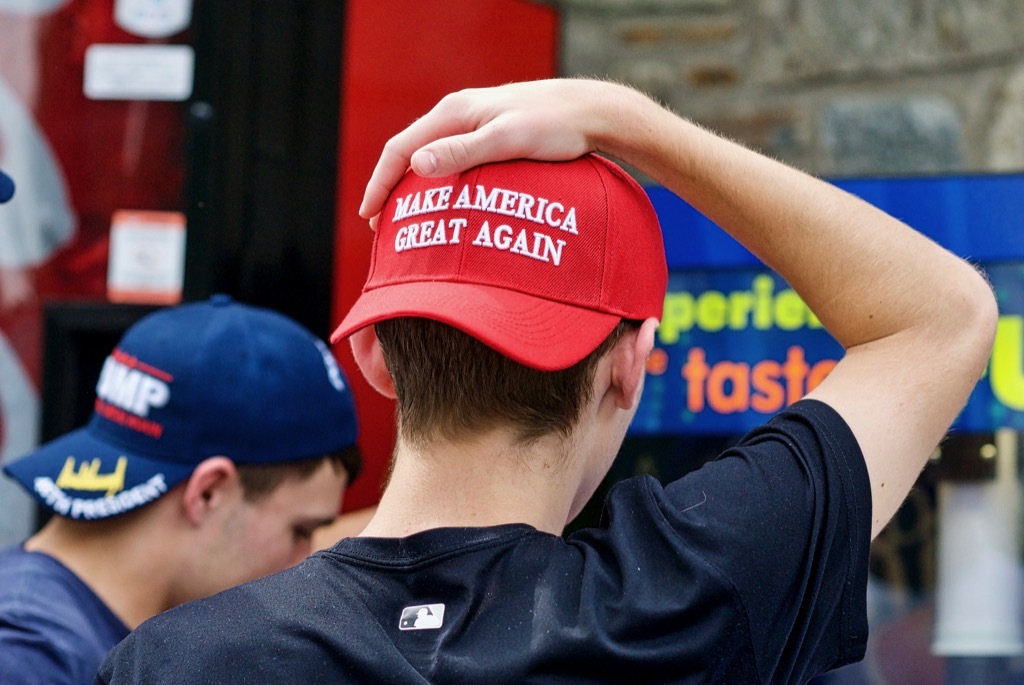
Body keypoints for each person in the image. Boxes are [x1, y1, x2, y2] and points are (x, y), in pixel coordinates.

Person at [98, 78, 997, 684]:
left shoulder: (171, 660)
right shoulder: (686, 599)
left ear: (373, 356)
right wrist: (626, 117)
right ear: (627, 369)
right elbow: (943, 314)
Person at [0, 294, 363, 685]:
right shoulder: (27, 660)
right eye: (301, 531)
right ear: (208, 493)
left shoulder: (67, 627)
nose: (305, 561)